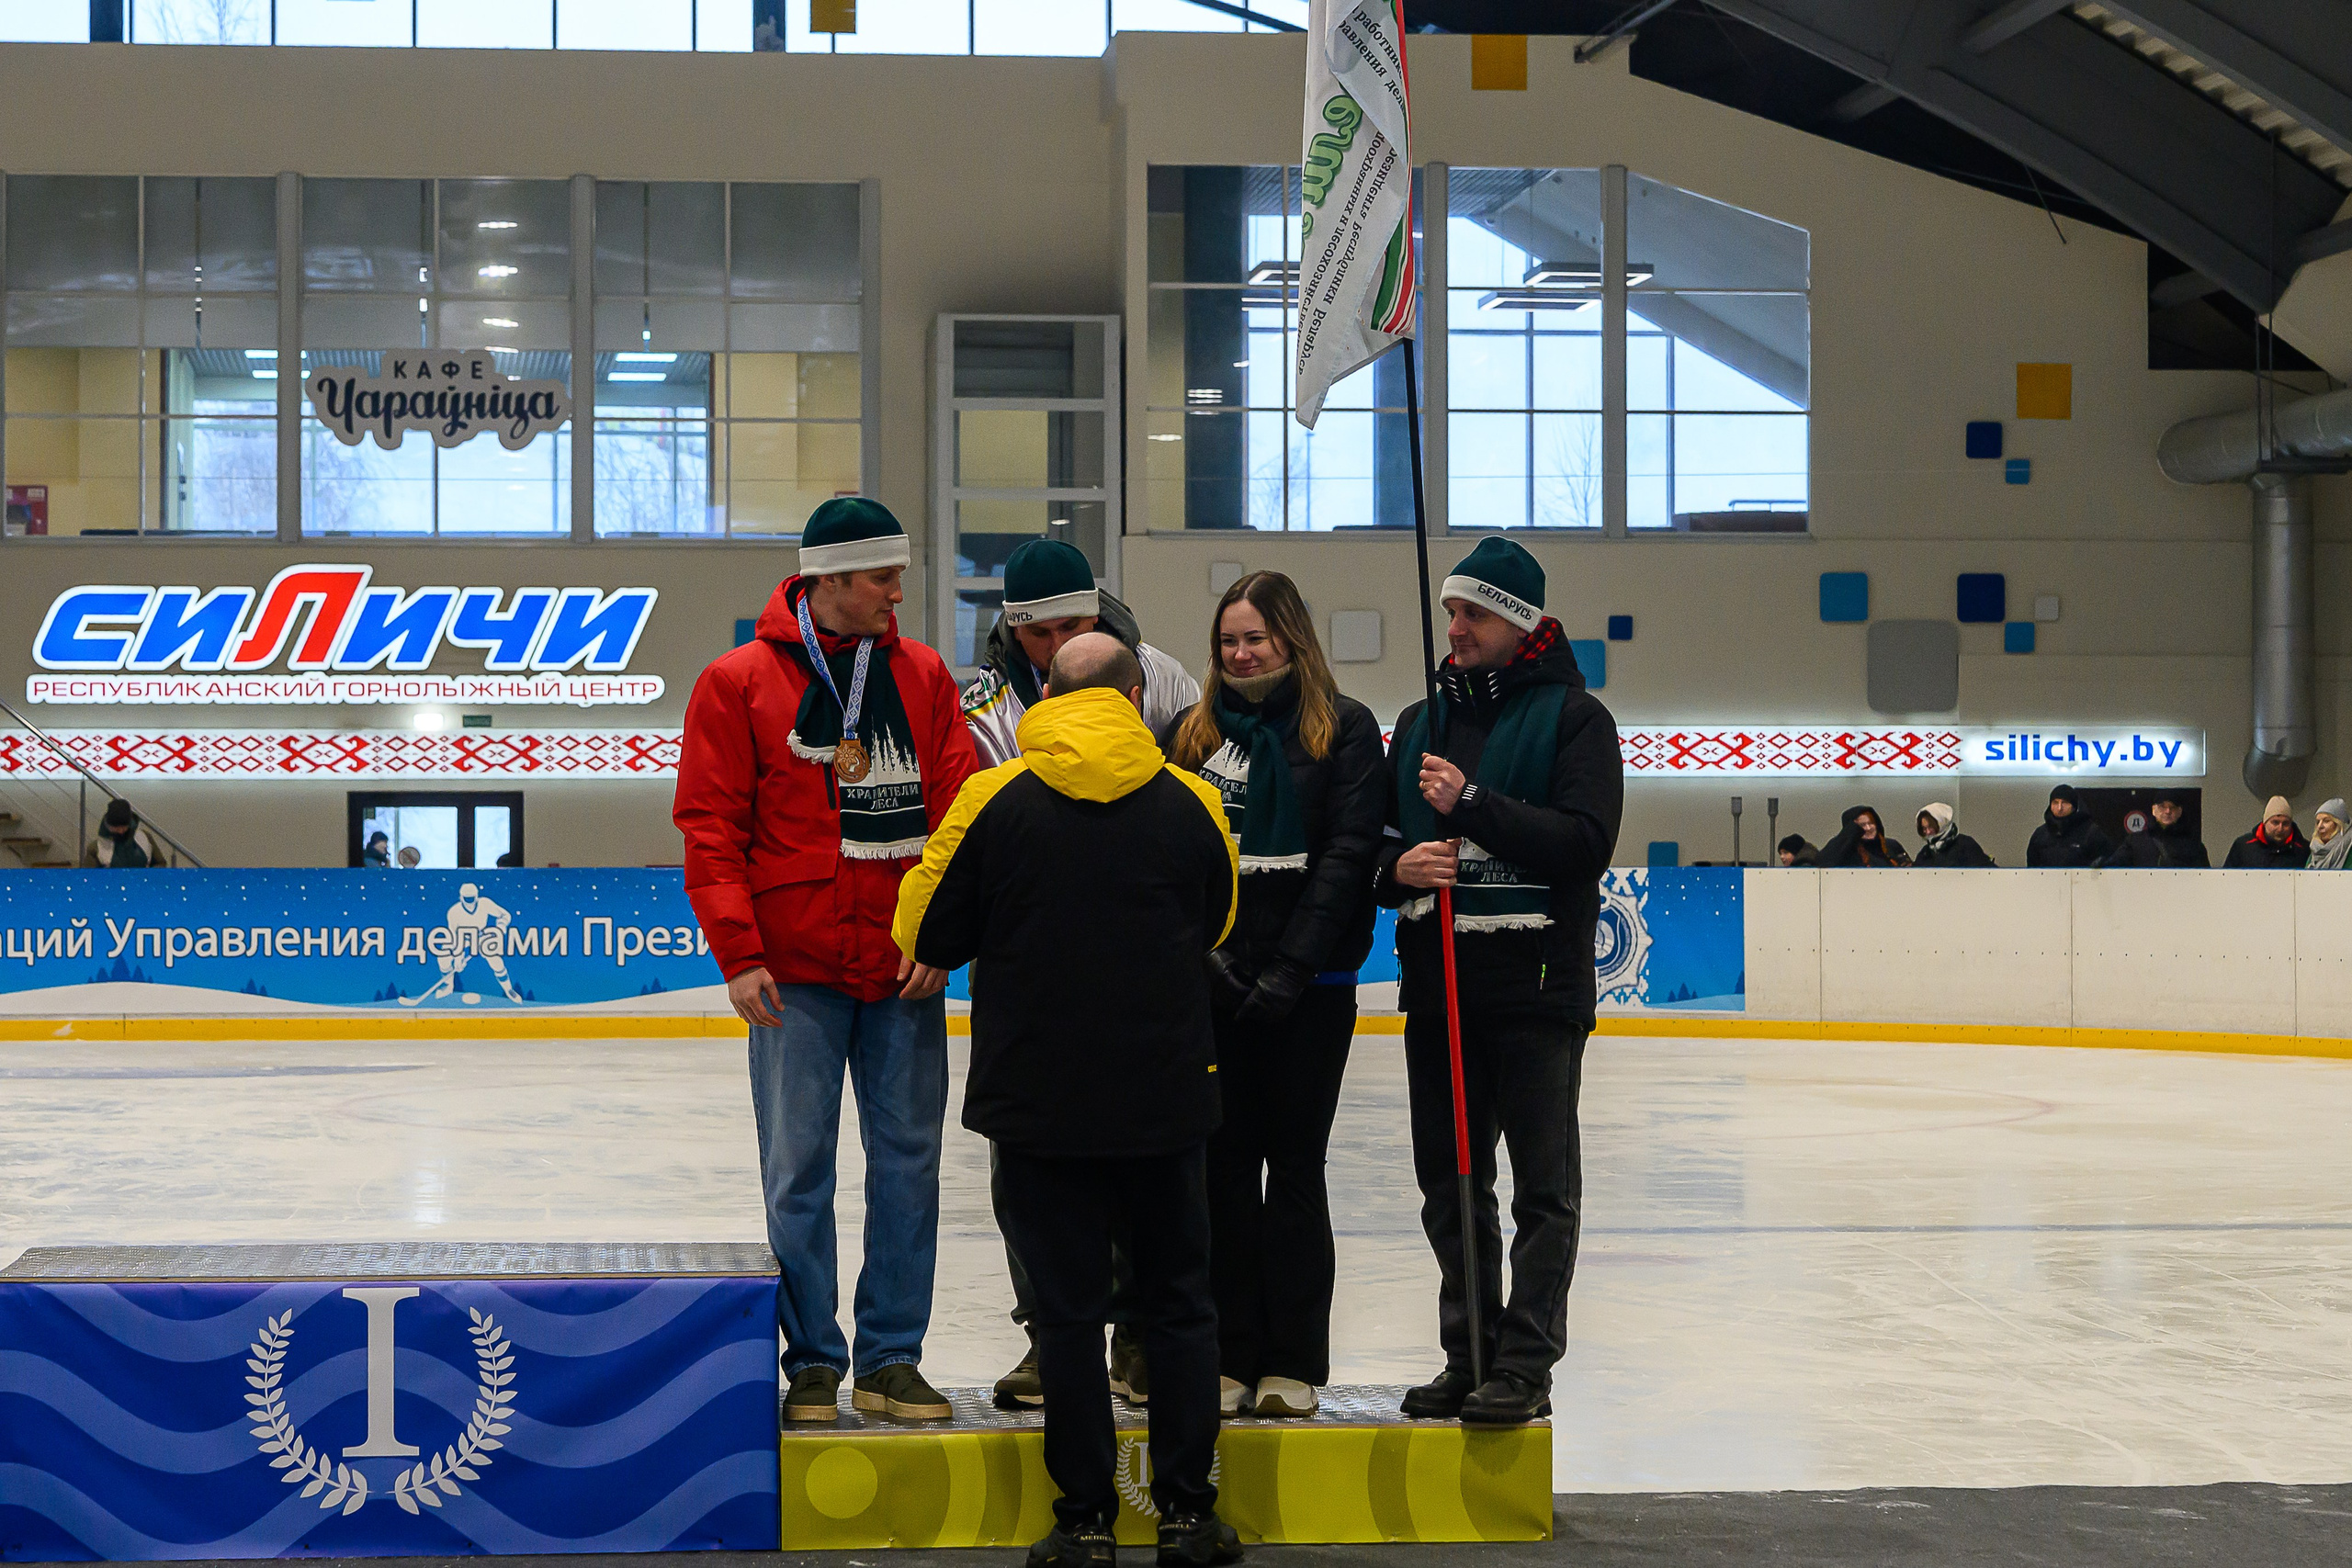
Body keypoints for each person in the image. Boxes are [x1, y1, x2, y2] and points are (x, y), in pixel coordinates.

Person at [893, 632, 1241, 1568]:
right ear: (1135, 694)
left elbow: (924, 926)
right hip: (1166, 1100)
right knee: (1176, 1307)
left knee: (1067, 1316)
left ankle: (1084, 1520)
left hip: (1038, 1106)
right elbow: (1221, 916)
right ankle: (1186, 1514)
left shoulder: (991, 798)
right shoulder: (1194, 801)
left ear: (1044, 694)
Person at [673, 497, 980, 1425]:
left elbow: (958, 816)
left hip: (900, 968)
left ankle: (891, 1359)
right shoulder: (737, 682)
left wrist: (939, 935)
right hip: (791, 971)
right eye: (883, 577)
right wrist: (737, 952)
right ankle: (811, 1361)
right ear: (830, 579)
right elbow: (710, 826)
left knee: (907, 1165)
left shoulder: (923, 675)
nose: (898, 593)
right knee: (797, 1168)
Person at [1374, 537, 1623, 1427]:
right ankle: (1468, 1353)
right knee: (1449, 1181)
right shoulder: (1418, 723)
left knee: (1541, 1190)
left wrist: (1472, 805)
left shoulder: (1574, 721)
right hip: (1436, 988)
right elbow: (1369, 845)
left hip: (1536, 990)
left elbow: (1584, 843)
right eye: (1449, 611)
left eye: (1471, 613)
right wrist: (1397, 867)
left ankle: (1523, 1365)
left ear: (1516, 623)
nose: (1454, 628)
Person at [1160, 570, 1384, 1419]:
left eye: (1256, 637)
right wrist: (1214, 965)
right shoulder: (1193, 734)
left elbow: (1348, 856)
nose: (1242, 653)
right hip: (1213, 993)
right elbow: (1175, 859)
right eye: (1229, 641)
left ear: (1292, 637)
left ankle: (1290, 1361)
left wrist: (1291, 970)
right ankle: (1226, 1353)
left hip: (1311, 996)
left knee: (1293, 1173)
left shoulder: (1346, 730)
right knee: (1221, 1172)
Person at [961, 537, 1198, 767]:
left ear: (1094, 615)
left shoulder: (1163, 678)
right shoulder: (985, 710)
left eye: (1069, 627)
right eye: (1039, 633)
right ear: (1016, 632)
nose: (1058, 647)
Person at [2102, 792, 2210, 868]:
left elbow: (2204, 879)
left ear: (2179, 812)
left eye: (2172, 807)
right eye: (2163, 806)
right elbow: (2114, 865)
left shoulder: (2193, 846)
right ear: (2154, 810)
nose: (2168, 811)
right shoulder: (2135, 841)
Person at [2025, 784, 2114, 867]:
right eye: (2055, 803)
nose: (2060, 808)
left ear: (2074, 806)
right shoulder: (2040, 834)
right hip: (2046, 882)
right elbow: (2032, 867)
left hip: (2083, 882)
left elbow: (2108, 860)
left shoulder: (2090, 832)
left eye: (2065, 803)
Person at [2223, 795, 2310, 869]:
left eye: (2285, 823)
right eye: (2275, 822)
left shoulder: (2303, 850)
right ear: (2265, 823)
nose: (2280, 828)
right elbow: (2225, 878)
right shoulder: (2243, 846)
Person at [82, 799, 164, 869]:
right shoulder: (95, 848)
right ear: (108, 825)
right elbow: (89, 875)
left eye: (124, 827)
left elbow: (160, 863)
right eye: (116, 828)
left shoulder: (145, 837)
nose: (121, 831)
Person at [1817, 806, 1909, 868]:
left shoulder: (1891, 845)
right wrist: (1852, 832)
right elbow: (1823, 862)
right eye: (1862, 825)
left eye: (1871, 823)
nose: (1868, 828)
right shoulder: (1845, 850)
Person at [1911, 803, 1995, 867]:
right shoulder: (1925, 853)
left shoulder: (1965, 845)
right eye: (1924, 829)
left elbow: (1987, 873)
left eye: (1931, 827)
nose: (1928, 832)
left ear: (1941, 824)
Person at [2311, 799, 2351, 871]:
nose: (2320, 826)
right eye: (2318, 822)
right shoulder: (2315, 852)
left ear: (2339, 824)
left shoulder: (2349, 850)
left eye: (2326, 821)